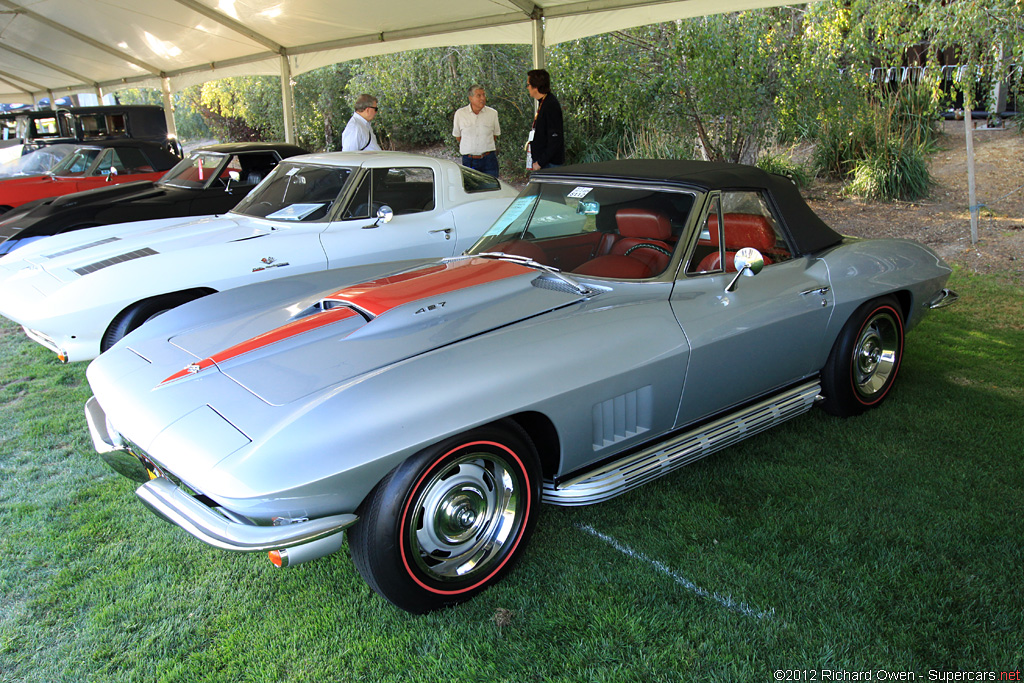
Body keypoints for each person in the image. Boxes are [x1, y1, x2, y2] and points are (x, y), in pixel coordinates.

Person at [452, 85, 501, 177]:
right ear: (470, 98)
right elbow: (458, 137)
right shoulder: (460, 114)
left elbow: (495, 135)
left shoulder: (492, 113)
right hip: (469, 161)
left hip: (489, 160)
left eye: (484, 95)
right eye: (479, 95)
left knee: (492, 188)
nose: (482, 98)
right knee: (471, 189)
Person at [526, 69, 564, 170]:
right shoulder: (543, 102)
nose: (527, 87)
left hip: (549, 164)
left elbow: (555, 139)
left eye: (529, 84)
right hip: (543, 162)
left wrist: (540, 163)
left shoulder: (550, 105)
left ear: (536, 86)